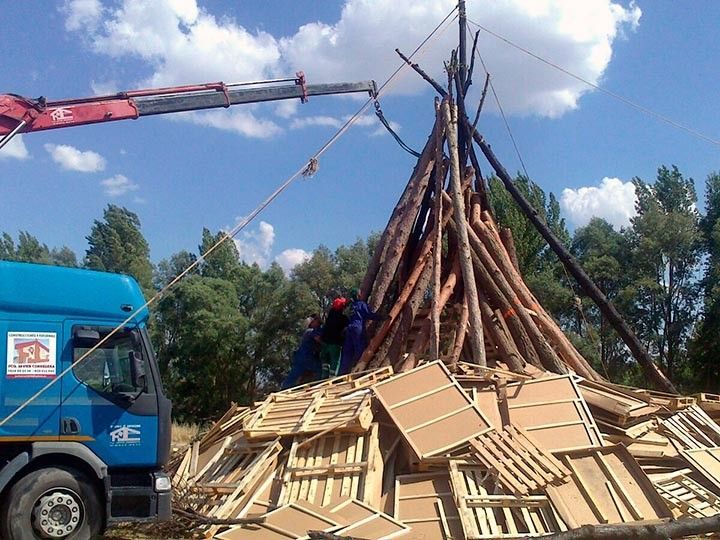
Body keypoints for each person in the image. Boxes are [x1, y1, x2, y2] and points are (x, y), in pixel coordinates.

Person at [339, 288, 382, 375]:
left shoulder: (350, 307)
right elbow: (368, 314)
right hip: (357, 328)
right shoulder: (361, 304)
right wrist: (380, 317)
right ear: (359, 295)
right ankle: (360, 370)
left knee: (347, 351)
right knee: (360, 348)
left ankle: (342, 373)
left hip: (349, 329)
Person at [281, 315, 322, 389]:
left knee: (294, 375)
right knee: (320, 369)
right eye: (316, 321)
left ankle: (284, 388)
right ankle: (319, 386)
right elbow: (319, 340)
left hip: (301, 357)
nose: (318, 323)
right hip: (306, 357)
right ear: (312, 323)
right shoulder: (311, 331)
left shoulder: (307, 332)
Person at [319, 297, 348, 378]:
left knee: (325, 362)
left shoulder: (330, 316)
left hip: (325, 343)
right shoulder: (343, 318)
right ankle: (332, 379)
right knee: (335, 362)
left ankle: (324, 378)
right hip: (335, 344)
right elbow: (346, 329)